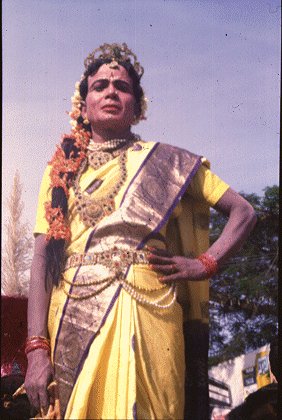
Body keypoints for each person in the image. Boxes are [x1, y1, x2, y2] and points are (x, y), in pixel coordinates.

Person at [24, 42, 257, 419]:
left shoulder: (170, 163)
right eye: (100, 86)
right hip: (72, 315)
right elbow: (39, 260)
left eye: (122, 86)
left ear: (138, 106)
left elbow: (243, 212)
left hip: (151, 309)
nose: (111, 91)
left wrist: (205, 263)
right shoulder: (58, 174)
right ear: (82, 105)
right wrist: (36, 348)